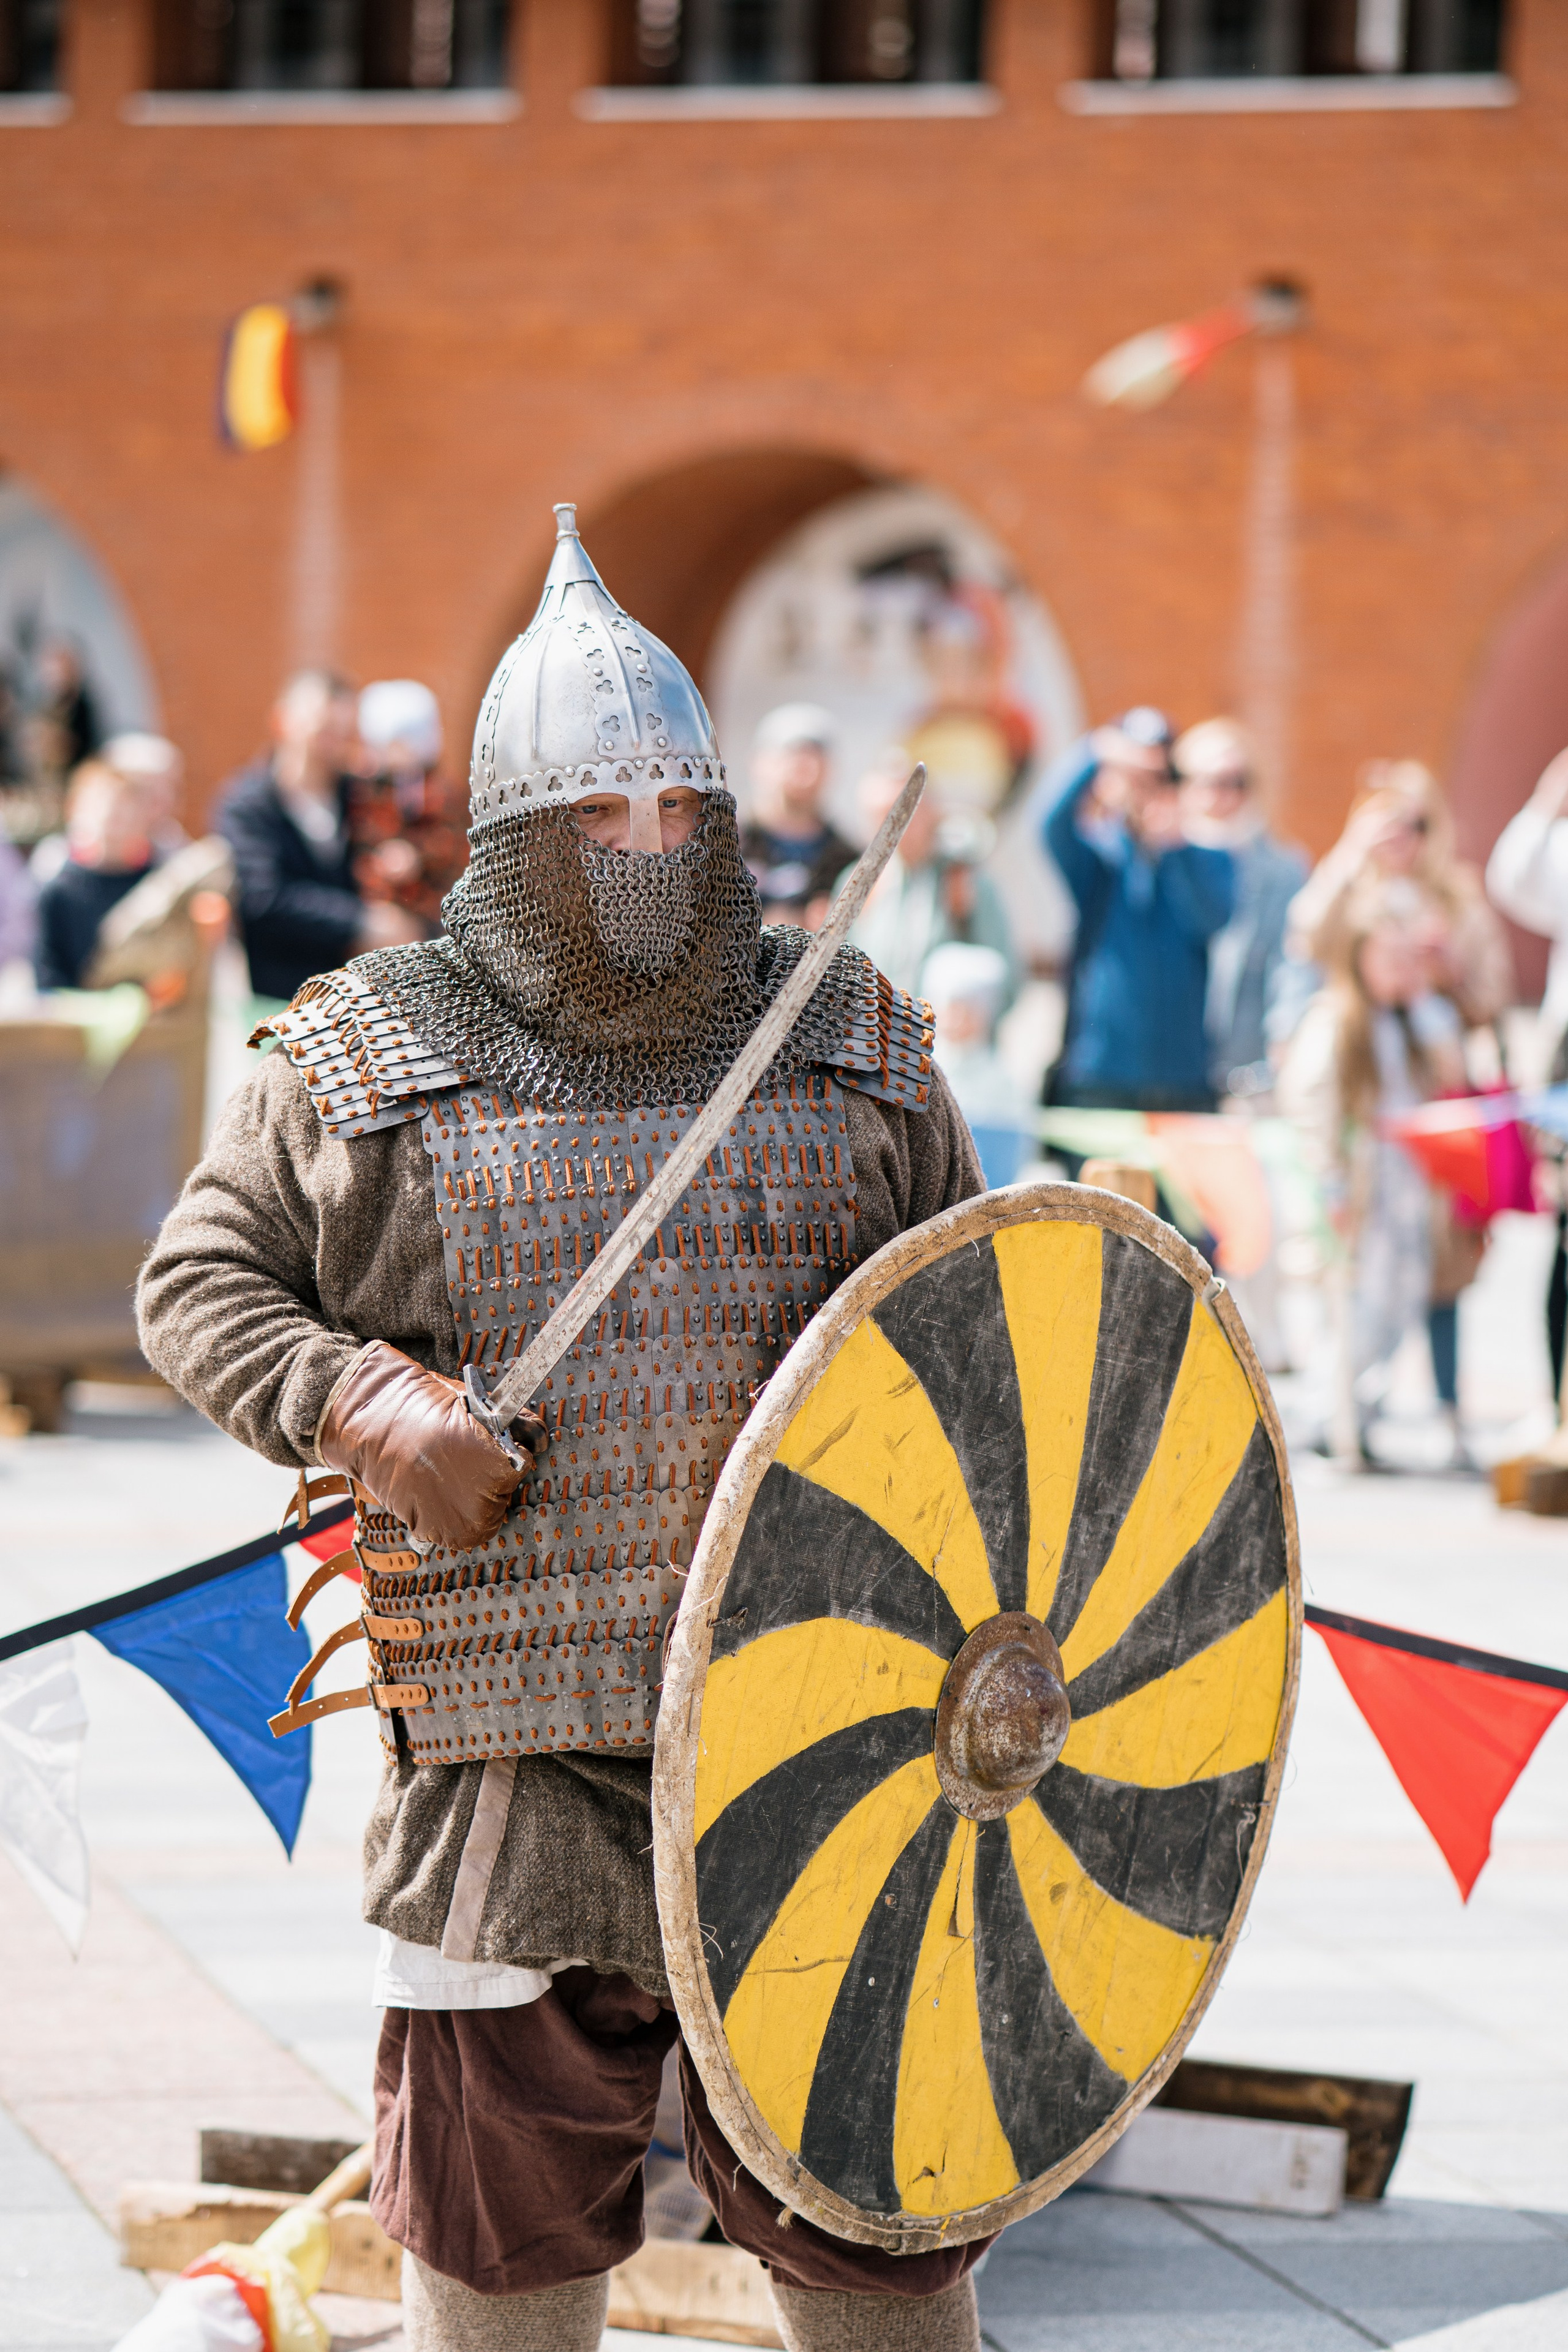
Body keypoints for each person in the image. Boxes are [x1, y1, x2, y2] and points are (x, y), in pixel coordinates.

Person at [136, 507, 988, 2352]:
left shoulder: (846, 1038)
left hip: (831, 1729)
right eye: (599, 813)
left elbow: (983, 1338)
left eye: (677, 809)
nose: (647, 848)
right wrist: (360, 1401)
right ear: (516, 831)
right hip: (513, 1767)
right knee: (498, 2242)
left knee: (880, 2233)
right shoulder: (370, 1052)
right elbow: (199, 1281)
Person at [1278, 883, 1467, 1468]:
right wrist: (1330, 1182)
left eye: (1407, 958)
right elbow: (1310, 1103)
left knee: (1399, 1305)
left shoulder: (1413, 1024)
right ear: (1360, 956)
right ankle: (1327, 1418)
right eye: (1389, 957)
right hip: (1361, 1188)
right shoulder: (1337, 1020)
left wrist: (1422, 998)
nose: (1399, 969)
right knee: (1354, 1307)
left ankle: (1358, 1415)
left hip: (1407, 1189)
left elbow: (1452, 1073)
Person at [1042, 709, 1234, 1112]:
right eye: (1136, 778)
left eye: (1160, 779)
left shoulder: (1209, 860)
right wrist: (1097, 751)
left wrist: (1176, 847)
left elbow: (1215, 918)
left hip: (1184, 1085)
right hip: (1100, 1077)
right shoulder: (1099, 859)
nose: (1147, 791)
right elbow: (1050, 823)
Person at [216, 669, 423, 1003]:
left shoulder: (359, 795)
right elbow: (263, 898)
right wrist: (359, 920)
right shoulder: (248, 805)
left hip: (355, 995)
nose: (334, 743)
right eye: (324, 729)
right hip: (280, 994)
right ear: (283, 722)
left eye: (344, 732)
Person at [1287, 760, 1512, 1034]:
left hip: (1434, 1047)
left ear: (1436, 828)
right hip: (1356, 1044)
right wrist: (1351, 852)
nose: (1401, 835)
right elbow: (1303, 941)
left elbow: (1495, 999)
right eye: (1390, 821)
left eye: (1417, 825)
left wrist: (1451, 977)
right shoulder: (1349, 889)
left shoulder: (1460, 900)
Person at [1175, 717, 1308, 1099]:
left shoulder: (1281, 869)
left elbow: (1293, 959)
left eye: (1237, 782)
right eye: (1209, 781)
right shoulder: (1163, 861)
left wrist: (1285, 1035)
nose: (1222, 795)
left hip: (1246, 1066)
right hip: (1172, 1066)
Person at [846, 746, 1018, 1005]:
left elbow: (1008, 977)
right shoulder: (857, 883)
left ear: (931, 812)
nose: (892, 827)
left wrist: (975, 1010)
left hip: (941, 1028)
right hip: (875, 1027)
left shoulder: (962, 878)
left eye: (904, 813)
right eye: (883, 816)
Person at [353, 679, 470, 929]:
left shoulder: (442, 791)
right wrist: (381, 861)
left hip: (434, 909)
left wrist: (417, 855)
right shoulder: (366, 789)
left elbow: (453, 843)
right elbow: (359, 838)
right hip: (380, 909)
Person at [32, 760, 156, 990]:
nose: (114, 819)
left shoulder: (159, 885)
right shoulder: (61, 892)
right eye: (103, 807)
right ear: (75, 811)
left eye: (124, 810)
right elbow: (48, 974)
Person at [922, 940, 1030, 1187]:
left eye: (967, 1009)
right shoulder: (920, 1070)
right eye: (951, 1007)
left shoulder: (1001, 1083)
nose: (957, 1019)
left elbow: (1004, 1162)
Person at [739, 703, 856, 929]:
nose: (806, 772)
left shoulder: (846, 860)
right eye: (794, 757)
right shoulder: (725, 843)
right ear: (759, 763)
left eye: (815, 760)